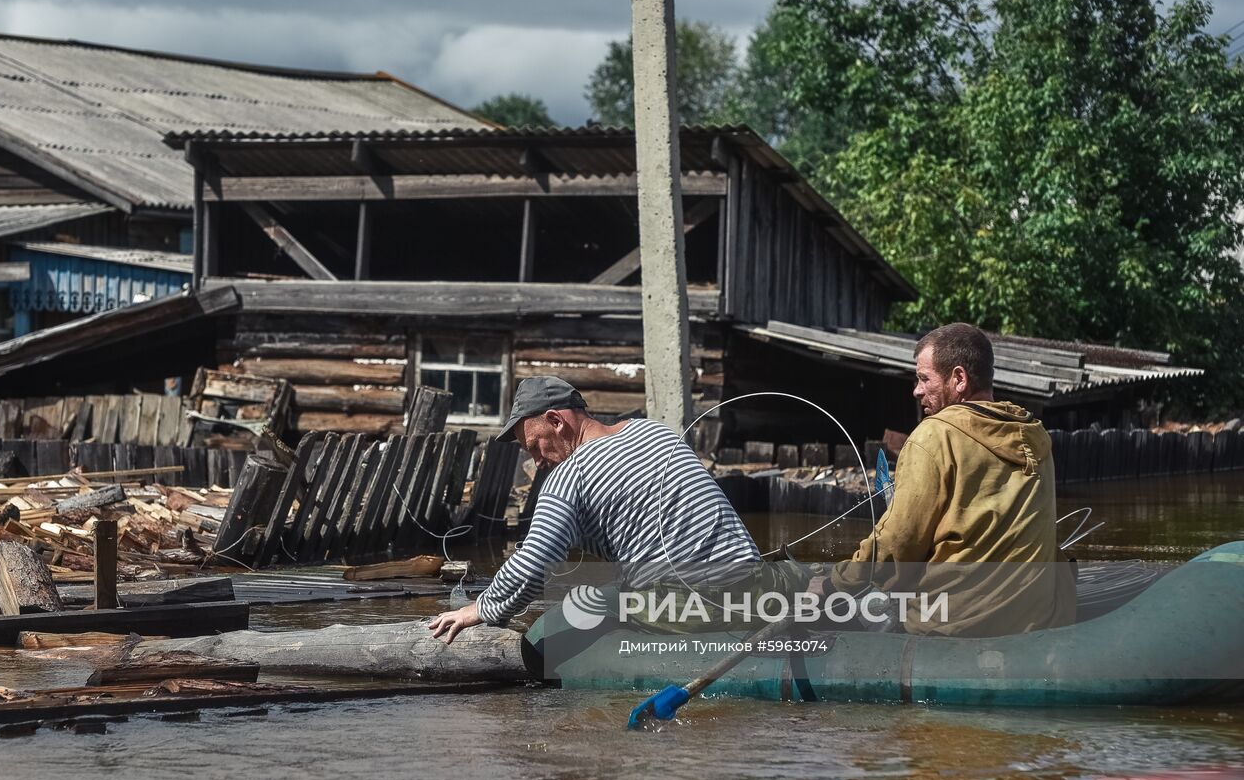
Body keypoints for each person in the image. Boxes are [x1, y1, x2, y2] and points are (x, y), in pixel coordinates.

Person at [428, 376, 762, 643]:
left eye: (534, 446)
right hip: (756, 590)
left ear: (556, 421)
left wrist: (482, 608)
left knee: (577, 605)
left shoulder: (568, 478)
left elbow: (533, 566)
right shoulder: (654, 431)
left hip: (692, 608)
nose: (537, 461)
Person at [812, 322, 1076, 636]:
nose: (916, 390)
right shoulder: (1034, 435)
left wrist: (833, 584)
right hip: (1038, 620)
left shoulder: (934, 435)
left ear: (959, 379)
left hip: (956, 623)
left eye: (924, 378)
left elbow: (897, 543)